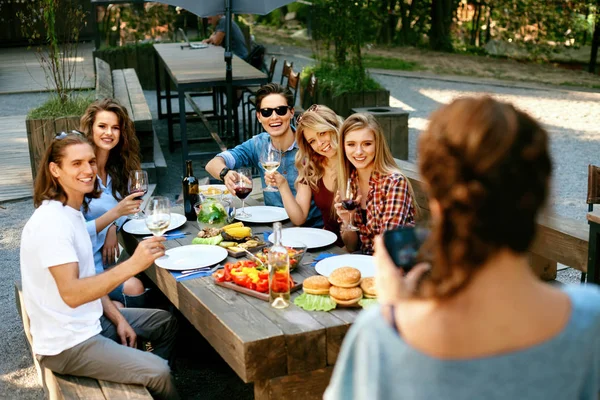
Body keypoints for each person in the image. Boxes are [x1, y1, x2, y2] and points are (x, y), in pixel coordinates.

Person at [325, 97, 600, 400]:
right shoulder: (591, 318)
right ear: (542, 193)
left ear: (437, 202)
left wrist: (395, 315)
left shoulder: (380, 336)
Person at [20, 133, 179, 399]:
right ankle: (152, 378)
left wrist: (118, 319)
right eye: (76, 163)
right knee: (158, 371)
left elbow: (89, 278)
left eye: (91, 162)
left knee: (165, 322)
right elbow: (72, 294)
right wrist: (131, 266)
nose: (88, 170)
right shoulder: (51, 223)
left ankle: (146, 384)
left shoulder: (71, 212)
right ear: (55, 170)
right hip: (67, 344)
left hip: (89, 321)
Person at [205, 83, 323, 228]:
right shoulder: (258, 144)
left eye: (281, 110)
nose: (274, 117)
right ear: (259, 116)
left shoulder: (310, 144)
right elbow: (212, 164)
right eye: (267, 112)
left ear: (291, 112)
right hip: (273, 225)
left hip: (313, 229)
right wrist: (225, 173)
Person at [80, 98, 147, 308]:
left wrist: (113, 226)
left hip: (103, 264)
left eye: (115, 128)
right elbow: (73, 230)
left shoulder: (118, 167)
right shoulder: (81, 174)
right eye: (102, 126)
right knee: (134, 288)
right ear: (90, 129)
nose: (109, 132)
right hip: (84, 268)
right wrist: (114, 216)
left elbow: (130, 206)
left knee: (139, 282)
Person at [334, 113, 416, 254]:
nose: (359, 152)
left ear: (377, 145)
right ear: (343, 147)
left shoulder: (394, 183)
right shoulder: (350, 181)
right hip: (366, 262)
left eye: (367, 144)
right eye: (351, 144)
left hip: (392, 269)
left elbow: (387, 248)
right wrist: (348, 221)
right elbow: (351, 247)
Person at [265, 104, 343, 245]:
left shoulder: (355, 161)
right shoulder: (312, 166)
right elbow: (299, 218)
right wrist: (282, 185)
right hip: (328, 246)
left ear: (334, 127)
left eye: (322, 133)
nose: (320, 143)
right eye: (312, 141)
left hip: (357, 249)